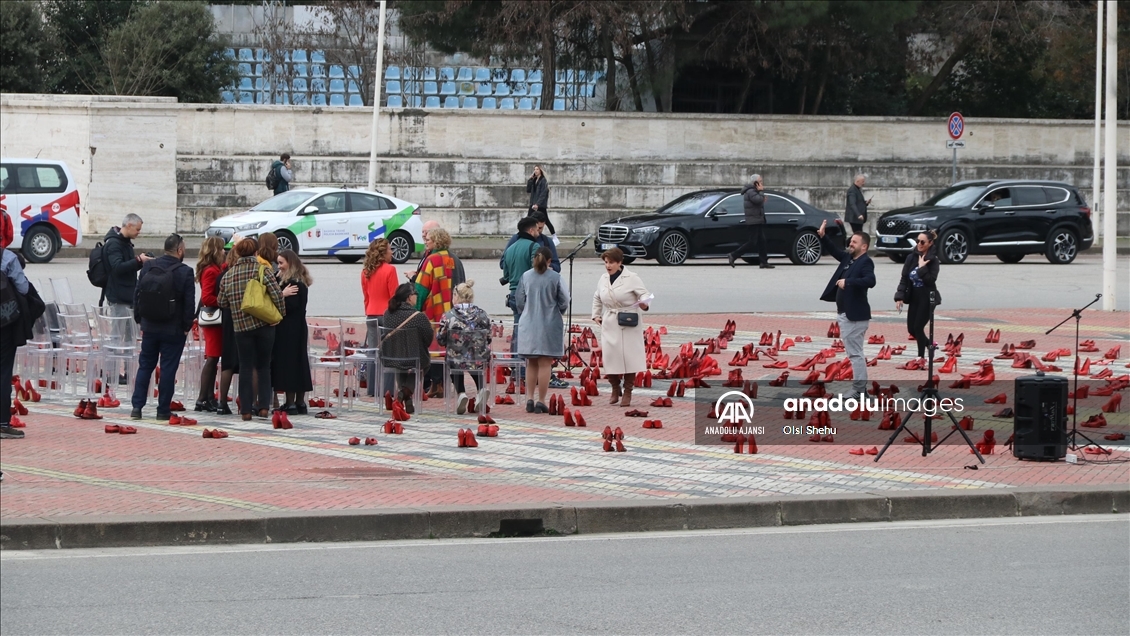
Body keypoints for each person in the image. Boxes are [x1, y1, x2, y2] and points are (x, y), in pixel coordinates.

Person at [218, 237, 286, 421]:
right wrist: (278, 316)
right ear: (256, 252)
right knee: (264, 366)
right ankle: (263, 407)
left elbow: (221, 301)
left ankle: (246, 410)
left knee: (246, 367)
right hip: (265, 324)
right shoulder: (262, 269)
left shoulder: (229, 274)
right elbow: (277, 296)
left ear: (238, 253)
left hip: (241, 327)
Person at [131, 234, 195, 420]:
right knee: (168, 369)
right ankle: (163, 410)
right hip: (173, 329)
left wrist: (140, 319)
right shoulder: (185, 271)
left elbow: (137, 294)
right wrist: (186, 326)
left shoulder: (149, 266)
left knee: (145, 366)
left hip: (149, 326)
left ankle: (137, 408)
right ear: (180, 250)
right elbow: (189, 304)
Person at [817, 219, 875, 397]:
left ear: (863, 247)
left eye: (855, 242)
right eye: (851, 241)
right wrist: (823, 236)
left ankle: (859, 391)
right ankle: (860, 390)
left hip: (855, 316)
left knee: (855, 354)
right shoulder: (849, 258)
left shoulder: (865, 262)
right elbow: (835, 252)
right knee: (854, 353)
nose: (851, 243)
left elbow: (870, 281)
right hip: (845, 314)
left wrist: (848, 282)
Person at [1, 213, 44, 441]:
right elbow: (24, 289)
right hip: (5, 322)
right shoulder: (7, 258)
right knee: (3, 370)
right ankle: (2, 422)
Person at [592, 248, 651, 407]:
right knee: (610, 356)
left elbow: (644, 294)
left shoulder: (632, 278)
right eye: (606, 262)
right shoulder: (603, 278)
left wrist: (644, 303)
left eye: (611, 262)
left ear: (619, 263)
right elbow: (597, 296)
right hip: (610, 321)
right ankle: (614, 387)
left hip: (629, 320)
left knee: (629, 357)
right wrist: (596, 314)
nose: (608, 266)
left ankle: (628, 391)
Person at [515, 247, 570, 414]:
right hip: (549, 323)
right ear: (549, 260)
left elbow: (519, 300)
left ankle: (529, 398)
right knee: (545, 363)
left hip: (529, 323)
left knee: (531, 362)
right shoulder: (556, 277)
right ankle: (541, 400)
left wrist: (526, 312)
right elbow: (565, 300)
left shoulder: (526, 276)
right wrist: (558, 311)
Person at [436, 281, 492, 415]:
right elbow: (488, 337)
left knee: (456, 361)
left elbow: (441, 339)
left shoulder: (448, 316)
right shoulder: (483, 315)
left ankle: (461, 393)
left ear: (456, 296)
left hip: (456, 358)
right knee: (473, 361)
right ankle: (481, 389)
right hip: (479, 357)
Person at [413, 227, 455, 397]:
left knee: (432, 347)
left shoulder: (432, 259)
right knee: (443, 346)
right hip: (447, 306)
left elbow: (421, 288)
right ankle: (441, 384)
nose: (426, 241)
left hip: (433, 309)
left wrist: (415, 309)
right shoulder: (449, 259)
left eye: (429, 239)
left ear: (437, 241)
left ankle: (435, 384)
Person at [381, 283, 434, 414]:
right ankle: (404, 392)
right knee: (424, 363)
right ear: (409, 297)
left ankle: (406, 398)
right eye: (415, 294)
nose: (417, 296)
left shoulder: (388, 314)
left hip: (390, 356)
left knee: (400, 363)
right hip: (414, 356)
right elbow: (428, 338)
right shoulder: (419, 317)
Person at [272, 250, 313, 413]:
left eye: (281, 263)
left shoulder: (293, 284)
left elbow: (289, 307)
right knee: (299, 361)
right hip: (298, 326)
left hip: (289, 327)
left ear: (291, 263)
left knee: (289, 363)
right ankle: (300, 402)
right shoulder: (297, 280)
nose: (279, 266)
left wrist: (279, 296)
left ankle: (290, 403)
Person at [895, 230, 941, 361]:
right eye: (917, 241)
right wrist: (900, 296)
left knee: (918, 327)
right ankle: (929, 345)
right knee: (911, 329)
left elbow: (931, 281)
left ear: (930, 243)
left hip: (927, 298)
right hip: (914, 296)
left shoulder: (934, 260)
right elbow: (904, 278)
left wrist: (922, 268)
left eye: (922, 242)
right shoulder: (911, 258)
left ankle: (920, 357)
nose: (919, 244)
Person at [362, 238, 398, 396]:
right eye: (390, 249)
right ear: (383, 253)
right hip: (387, 314)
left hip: (371, 314)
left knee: (372, 351)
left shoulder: (365, 272)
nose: (392, 252)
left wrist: (368, 311)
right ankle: (387, 390)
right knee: (388, 352)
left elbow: (366, 296)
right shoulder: (390, 270)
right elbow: (394, 297)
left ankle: (372, 388)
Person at [501, 216, 541, 354]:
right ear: (531, 230)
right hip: (528, 294)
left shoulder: (510, 249)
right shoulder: (534, 246)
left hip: (513, 293)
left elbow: (505, 274)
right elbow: (535, 271)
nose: (538, 232)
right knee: (528, 331)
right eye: (537, 229)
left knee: (517, 327)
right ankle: (524, 366)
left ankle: (515, 362)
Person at [194, 236, 226, 412]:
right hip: (214, 320)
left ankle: (208, 397)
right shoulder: (210, 271)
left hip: (214, 319)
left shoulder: (214, 268)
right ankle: (203, 398)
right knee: (212, 357)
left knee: (214, 358)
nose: (224, 252)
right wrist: (224, 301)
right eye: (221, 249)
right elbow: (207, 297)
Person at [728, 174, 773, 269]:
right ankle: (733, 255)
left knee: (762, 241)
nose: (762, 183)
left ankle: (763, 262)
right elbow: (757, 200)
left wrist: (761, 197)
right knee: (753, 242)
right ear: (755, 183)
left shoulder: (753, 191)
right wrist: (761, 192)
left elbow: (758, 201)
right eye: (760, 181)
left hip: (757, 219)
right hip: (753, 221)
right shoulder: (751, 191)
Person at [216, 244, 241, 415]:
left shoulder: (222, 276)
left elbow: (220, 300)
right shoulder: (243, 274)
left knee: (228, 363)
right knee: (248, 363)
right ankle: (249, 403)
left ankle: (221, 402)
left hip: (227, 321)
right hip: (243, 320)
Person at [526, 165, 555, 236]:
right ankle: (525, 234)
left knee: (546, 221)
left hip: (540, 205)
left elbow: (543, 194)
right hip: (533, 204)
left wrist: (538, 204)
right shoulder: (534, 180)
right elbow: (528, 190)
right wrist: (530, 180)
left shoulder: (543, 181)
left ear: (540, 171)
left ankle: (554, 236)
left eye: (537, 169)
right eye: (534, 169)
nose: (535, 171)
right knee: (528, 220)